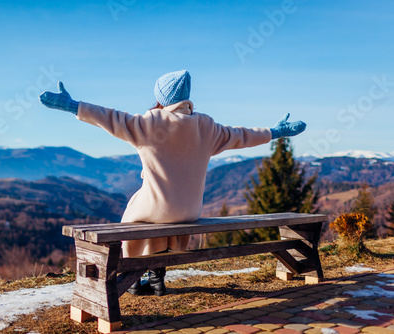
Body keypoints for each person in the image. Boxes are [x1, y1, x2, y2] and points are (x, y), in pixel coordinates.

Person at [39, 70, 306, 296]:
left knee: (134, 213)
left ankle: (134, 277)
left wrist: (71, 106)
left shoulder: (149, 122)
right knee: (157, 208)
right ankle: (157, 276)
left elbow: (108, 117)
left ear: (161, 98)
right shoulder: (206, 126)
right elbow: (242, 135)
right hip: (190, 212)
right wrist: (277, 132)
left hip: (157, 210)